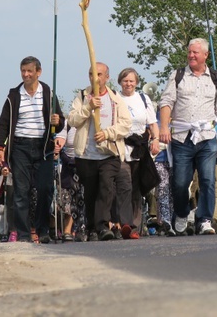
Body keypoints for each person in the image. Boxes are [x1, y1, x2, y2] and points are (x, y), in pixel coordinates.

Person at [158, 38, 217, 236]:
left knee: (208, 180)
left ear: (205, 55)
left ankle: (205, 220)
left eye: (195, 53)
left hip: (207, 137)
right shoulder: (178, 75)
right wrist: (164, 127)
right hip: (182, 138)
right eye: (189, 52)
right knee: (181, 183)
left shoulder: (214, 77)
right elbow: (166, 102)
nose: (191, 55)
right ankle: (182, 213)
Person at [0, 56, 65, 243]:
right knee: (21, 191)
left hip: (43, 147)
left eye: (29, 71)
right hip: (20, 147)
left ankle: (42, 230)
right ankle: (24, 235)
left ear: (38, 72)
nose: (26, 74)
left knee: (45, 189)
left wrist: (58, 121)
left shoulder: (48, 93)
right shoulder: (14, 96)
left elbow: (60, 120)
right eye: (23, 71)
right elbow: (3, 124)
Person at [67, 62, 132, 241]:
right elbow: (72, 120)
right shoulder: (82, 96)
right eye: (91, 74)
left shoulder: (115, 98)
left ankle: (103, 225)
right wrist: (88, 107)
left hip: (109, 153)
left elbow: (125, 124)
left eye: (99, 74)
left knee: (106, 187)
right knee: (90, 192)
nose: (95, 78)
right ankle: (91, 228)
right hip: (86, 154)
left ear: (106, 77)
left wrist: (107, 133)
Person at [117, 67, 160, 239]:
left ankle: (133, 226)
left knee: (137, 187)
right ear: (120, 82)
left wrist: (155, 139)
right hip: (121, 146)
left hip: (139, 149)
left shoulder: (144, 99)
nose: (128, 84)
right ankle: (123, 223)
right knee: (124, 184)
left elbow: (152, 122)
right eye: (125, 80)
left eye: (131, 81)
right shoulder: (116, 98)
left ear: (136, 82)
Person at [54, 122, 87, 242]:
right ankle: (67, 230)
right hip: (68, 166)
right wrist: (58, 147)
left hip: (84, 164)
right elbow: (60, 140)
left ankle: (80, 229)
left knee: (81, 198)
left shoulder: (89, 122)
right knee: (67, 199)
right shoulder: (67, 125)